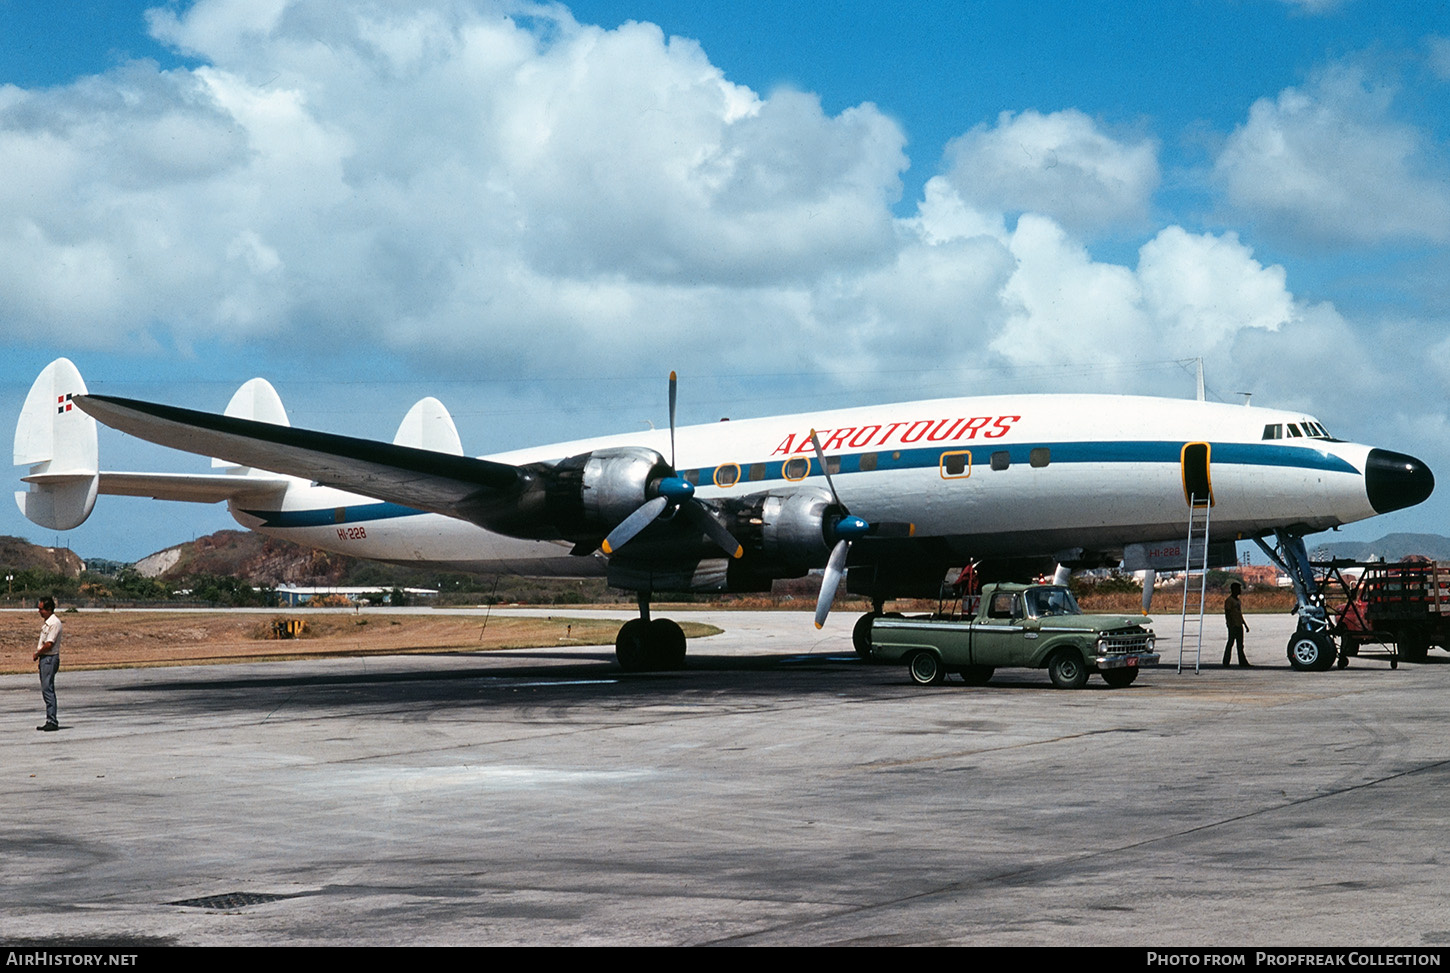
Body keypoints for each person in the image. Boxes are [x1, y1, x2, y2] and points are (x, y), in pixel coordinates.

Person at [34, 596, 62, 731]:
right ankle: (49, 719)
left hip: (49, 658)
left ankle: (52, 720)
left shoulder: (54, 623)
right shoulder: (47, 623)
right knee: (46, 689)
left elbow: (49, 644)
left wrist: (38, 653)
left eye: (41, 609)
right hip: (45, 659)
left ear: (49, 609)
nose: (39, 612)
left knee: (48, 689)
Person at [1223, 582, 1251, 668]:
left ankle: (1242, 662)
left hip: (1239, 624)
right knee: (1230, 643)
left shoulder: (1238, 601)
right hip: (1233, 625)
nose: (1240, 591)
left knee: (1240, 645)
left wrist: (1245, 625)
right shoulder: (1229, 601)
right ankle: (1226, 662)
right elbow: (1227, 613)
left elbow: (1239, 614)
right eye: (1238, 589)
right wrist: (1229, 624)